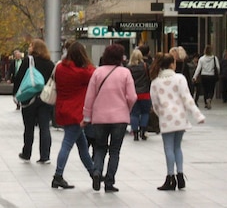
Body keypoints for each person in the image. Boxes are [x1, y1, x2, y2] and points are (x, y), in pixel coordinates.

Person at [81, 43, 137, 193]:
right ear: (121, 57)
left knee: (100, 148)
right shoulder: (125, 73)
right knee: (114, 151)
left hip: (100, 117)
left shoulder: (98, 73)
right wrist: (127, 109)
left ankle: (97, 172)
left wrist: (87, 116)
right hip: (120, 118)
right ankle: (109, 181)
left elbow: (89, 97)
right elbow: (132, 96)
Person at [150, 53, 206, 191]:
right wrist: (197, 115)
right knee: (177, 147)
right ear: (171, 64)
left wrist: (160, 114)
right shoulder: (180, 78)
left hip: (166, 118)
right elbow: (187, 98)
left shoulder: (155, 82)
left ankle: (170, 177)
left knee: (168, 147)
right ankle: (180, 176)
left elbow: (155, 104)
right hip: (180, 117)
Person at [50, 41, 95, 189]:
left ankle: (93, 173)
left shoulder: (60, 68)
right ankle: (58, 175)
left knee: (82, 146)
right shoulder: (83, 73)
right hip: (76, 113)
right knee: (67, 144)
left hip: (63, 109)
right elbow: (94, 72)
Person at [13, 38, 56, 164]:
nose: (29, 48)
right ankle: (45, 155)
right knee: (44, 127)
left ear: (35, 48)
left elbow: (19, 78)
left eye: (31, 45)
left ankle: (27, 153)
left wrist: (16, 95)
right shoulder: (50, 63)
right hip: (45, 98)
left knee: (29, 127)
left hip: (29, 98)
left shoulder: (28, 60)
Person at [127, 48, 151, 141]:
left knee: (134, 114)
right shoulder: (145, 66)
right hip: (145, 93)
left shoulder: (128, 68)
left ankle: (135, 133)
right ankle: (143, 131)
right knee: (145, 113)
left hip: (133, 93)